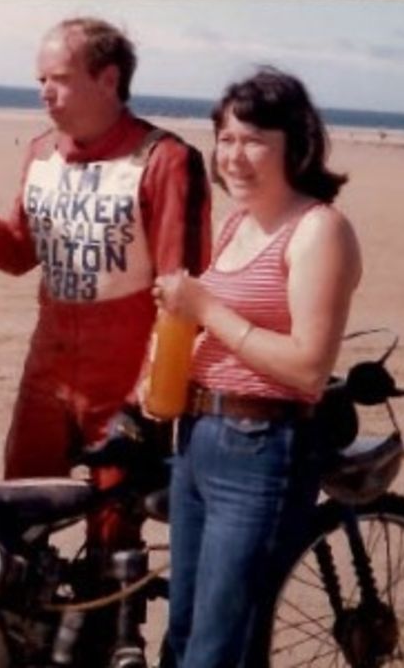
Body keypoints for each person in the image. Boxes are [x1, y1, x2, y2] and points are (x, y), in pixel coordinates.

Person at [0, 17, 211, 481]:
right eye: (41, 81)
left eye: (59, 80)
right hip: (47, 377)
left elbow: (185, 296)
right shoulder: (40, 153)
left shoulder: (164, 160)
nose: (44, 92)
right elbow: (18, 254)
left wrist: (150, 395)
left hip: (125, 384)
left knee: (113, 538)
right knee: (18, 516)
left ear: (109, 79)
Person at [154, 67, 362, 668]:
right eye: (225, 139)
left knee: (223, 644)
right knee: (186, 630)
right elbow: (214, 328)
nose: (234, 156)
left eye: (253, 141)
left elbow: (307, 369)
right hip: (196, 437)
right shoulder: (236, 224)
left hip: (261, 448)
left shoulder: (319, 230)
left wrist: (207, 309)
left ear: (294, 145)